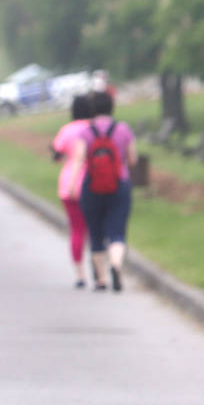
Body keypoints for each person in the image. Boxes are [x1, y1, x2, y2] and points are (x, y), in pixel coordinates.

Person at [67, 90, 137, 291]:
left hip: (93, 186)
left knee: (96, 234)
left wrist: (73, 185)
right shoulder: (123, 129)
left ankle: (101, 279)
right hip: (119, 184)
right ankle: (116, 265)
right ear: (111, 107)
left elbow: (79, 159)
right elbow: (132, 159)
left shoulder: (86, 132)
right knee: (117, 232)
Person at [50, 93, 95, 287]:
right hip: (93, 183)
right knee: (95, 231)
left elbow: (56, 155)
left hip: (69, 184)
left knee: (77, 230)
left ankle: (80, 275)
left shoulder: (66, 130)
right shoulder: (94, 129)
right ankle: (99, 271)